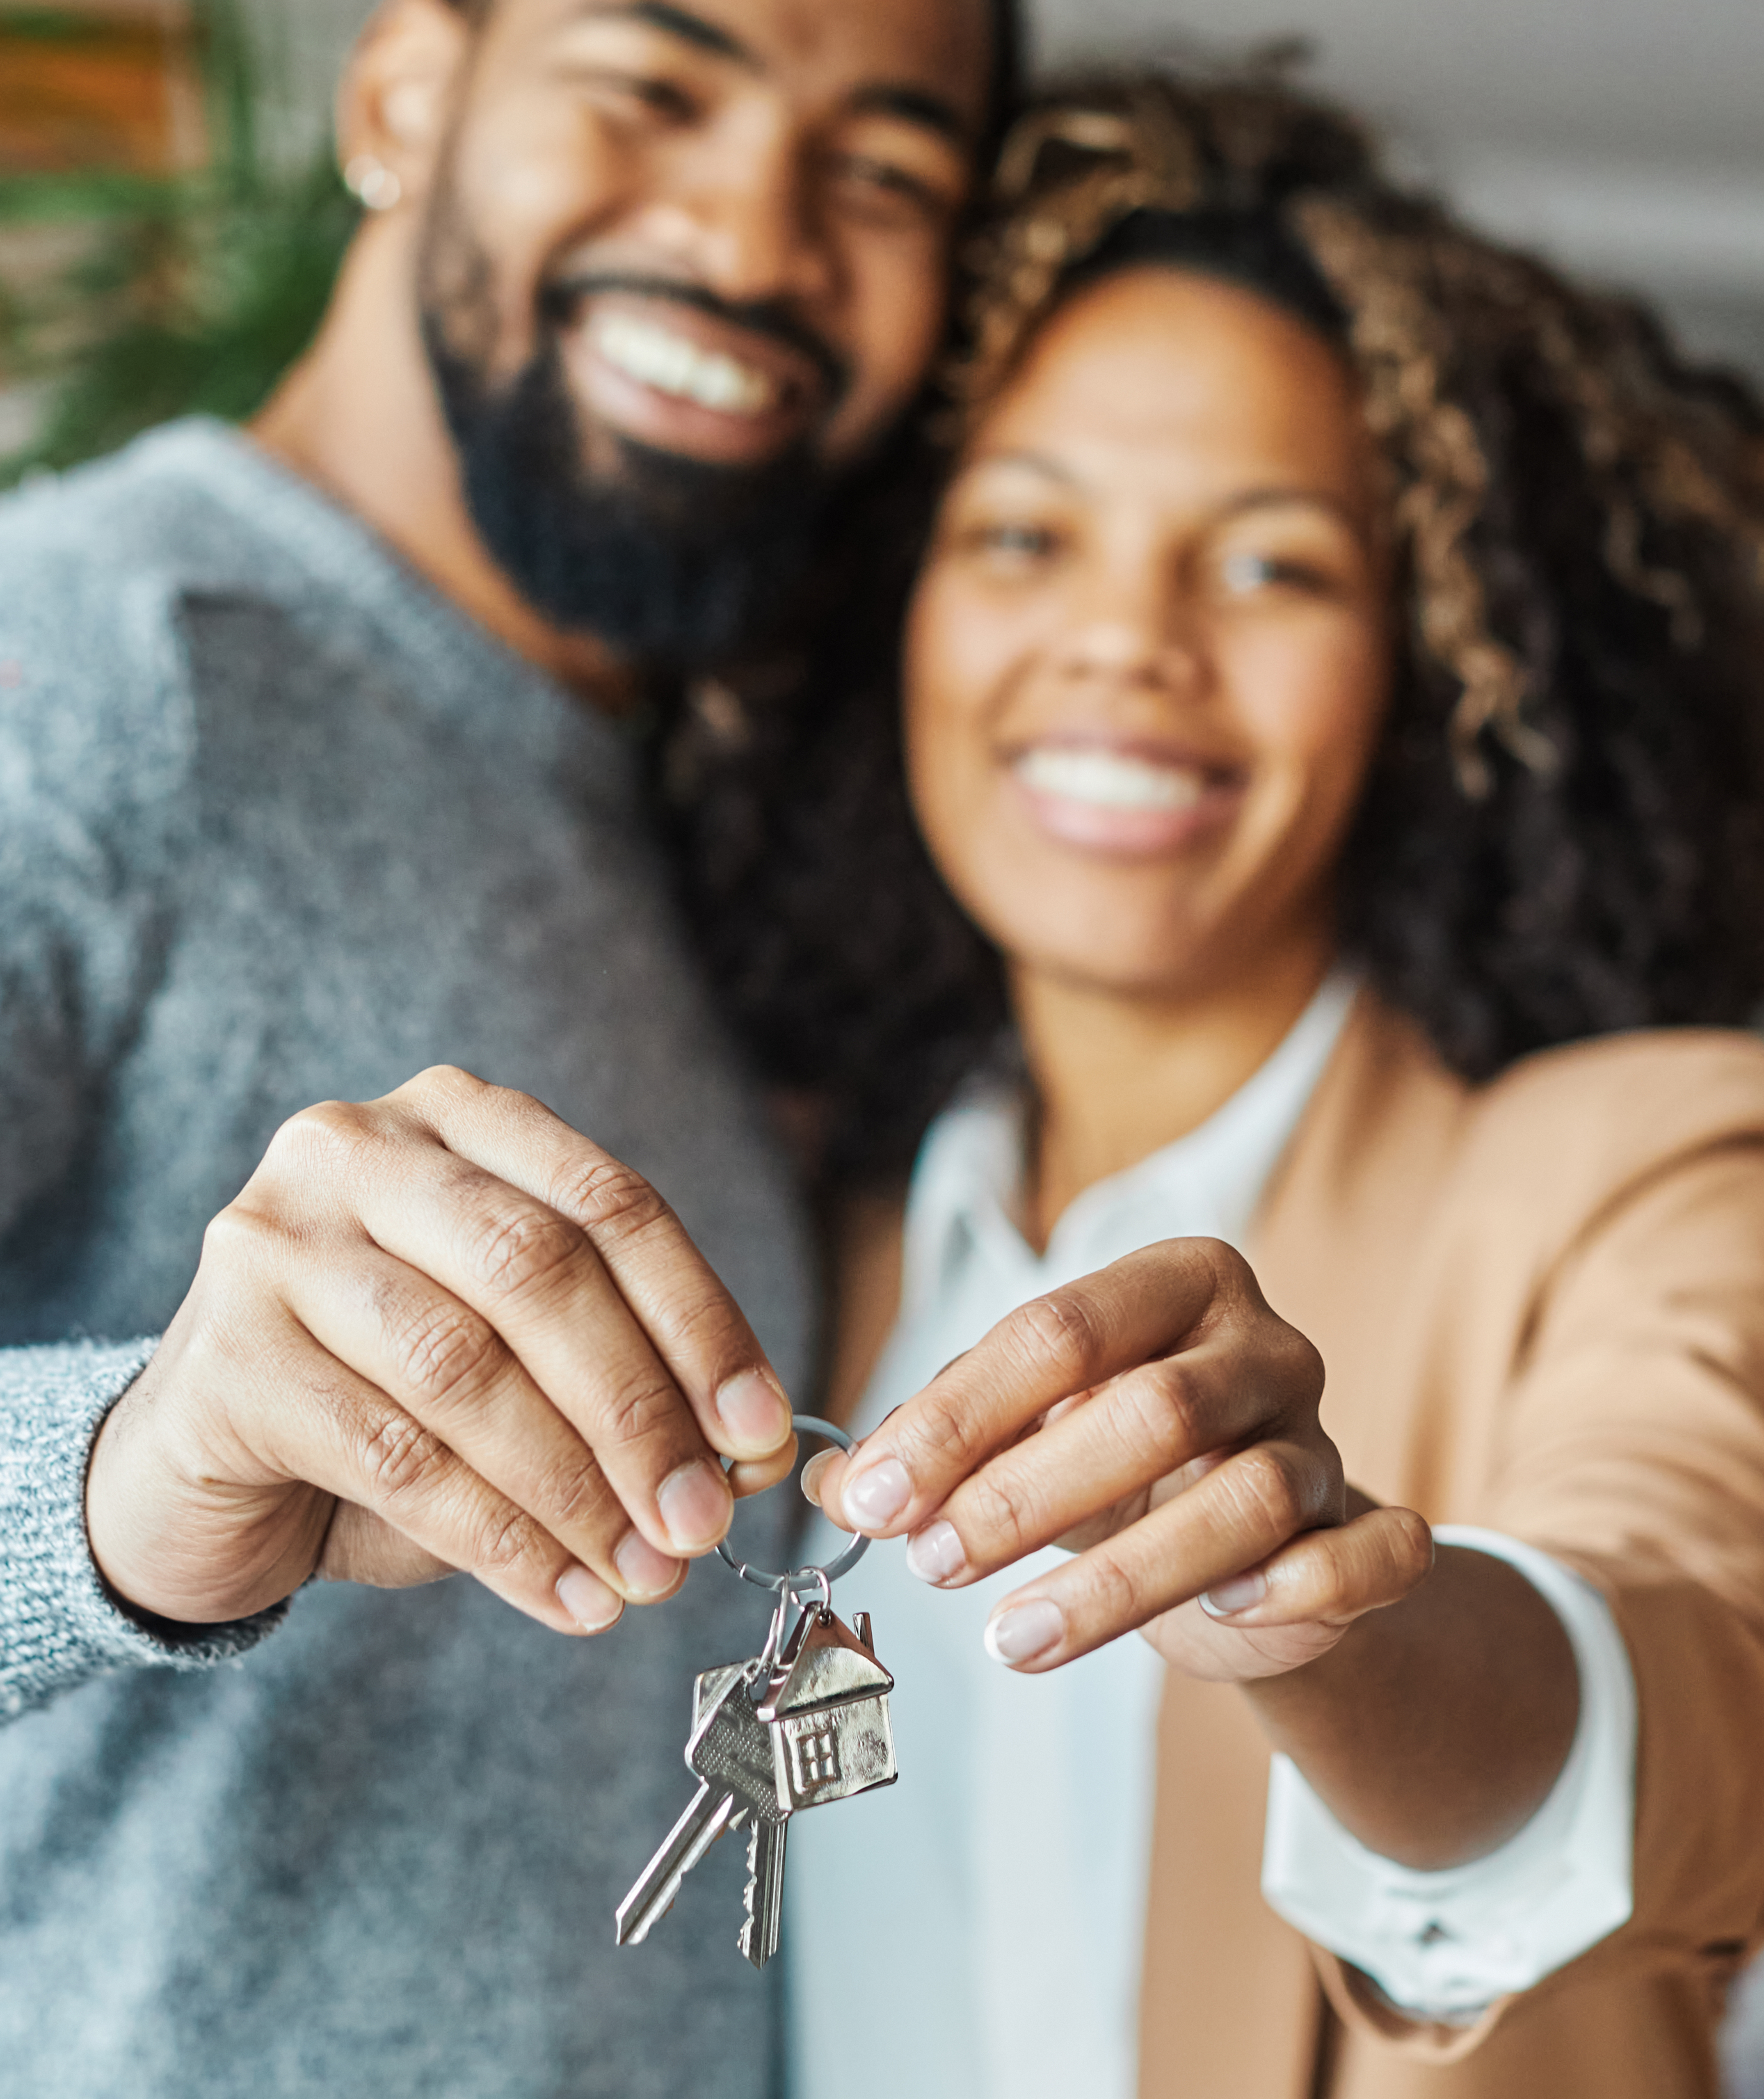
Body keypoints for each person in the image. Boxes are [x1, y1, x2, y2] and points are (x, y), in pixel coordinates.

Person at [679, 71, 1764, 2099]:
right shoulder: (799, 1229)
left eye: (1270, 567)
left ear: (1435, 662)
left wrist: (1347, 1621)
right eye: (1023, 534)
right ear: (889, 612)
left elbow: (1694, 1660)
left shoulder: (1654, 1169)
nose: (1126, 642)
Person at [0, 0, 1020, 2089]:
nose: (756, 238)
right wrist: (129, 1481)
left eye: (885, 170)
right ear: (402, 92)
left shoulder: (715, 819)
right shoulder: (74, 675)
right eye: (654, 85)